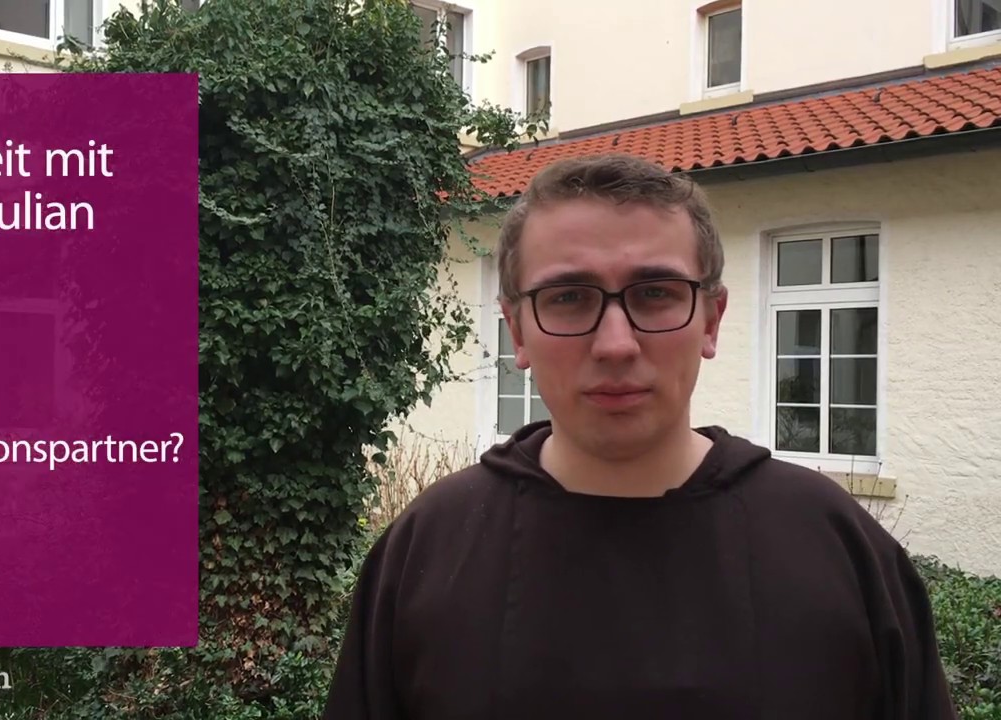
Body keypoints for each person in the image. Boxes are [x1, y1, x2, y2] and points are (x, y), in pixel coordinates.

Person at [322, 153, 958, 719]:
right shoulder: (427, 548)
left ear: (711, 320)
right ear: (517, 331)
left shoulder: (838, 546)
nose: (616, 344)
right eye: (569, 297)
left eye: (655, 293)